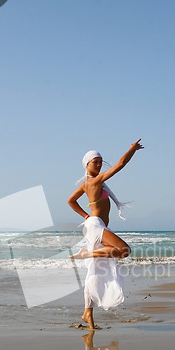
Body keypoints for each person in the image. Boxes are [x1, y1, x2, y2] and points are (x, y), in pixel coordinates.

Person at [67, 139, 144, 329]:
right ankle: (87, 254)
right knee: (124, 250)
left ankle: (88, 314)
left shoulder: (88, 183)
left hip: (95, 224)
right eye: (96, 162)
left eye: (101, 161)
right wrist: (131, 150)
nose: (100, 164)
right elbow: (120, 165)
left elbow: (71, 201)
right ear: (87, 164)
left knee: (96, 270)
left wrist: (85, 215)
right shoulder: (95, 181)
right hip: (95, 225)